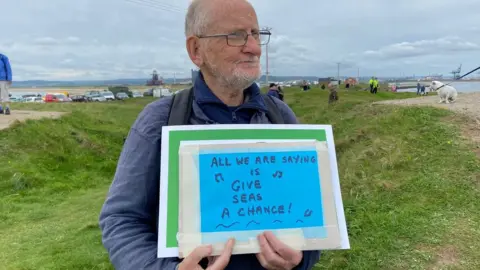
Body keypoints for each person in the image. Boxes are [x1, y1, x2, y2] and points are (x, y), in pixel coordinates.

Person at [98, 0, 321, 269]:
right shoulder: (160, 121)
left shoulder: (280, 116)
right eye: (236, 35)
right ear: (196, 50)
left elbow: (310, 218)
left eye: (256, 34)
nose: (253, 48)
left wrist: (300, 260)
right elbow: (122, 220)